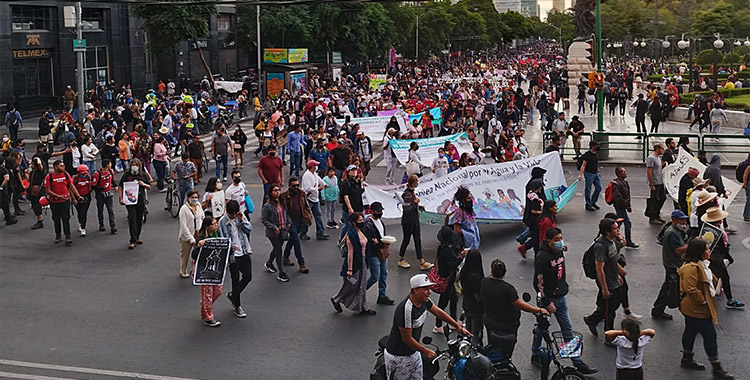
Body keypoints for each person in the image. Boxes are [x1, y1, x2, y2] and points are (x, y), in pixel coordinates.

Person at [531, 228, 597, 374]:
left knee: (567, 329)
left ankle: (577, 362)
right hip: (547, 301)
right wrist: (546, 302)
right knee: (542, 330)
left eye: (561, 238)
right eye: (557, 239)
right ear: (549, 241)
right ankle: (535, 354)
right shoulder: (542, 257)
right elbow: (538, 282)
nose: (560, 242)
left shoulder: (558, 251)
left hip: (560, 298)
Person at [383, 274, 469, 379]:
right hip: (399, 357)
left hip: (413, 353)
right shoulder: (406, 309)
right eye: (426, 289)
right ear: (415, 290)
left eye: (429, 288)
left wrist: (457, 326)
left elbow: (438, 312)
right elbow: (407, 339)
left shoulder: (424, 301)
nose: (430, 292)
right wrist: (426, 351)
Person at [677, 238, 734, 379]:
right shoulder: (691, 268)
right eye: (707, 249)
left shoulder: (702, 265)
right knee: (710, 335)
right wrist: (704, 301)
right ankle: (716, 368)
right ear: (699, 252)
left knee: (690, 330)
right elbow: (691, 289)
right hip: (696, 309)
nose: (709, 251)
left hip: (692, 308)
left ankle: (687, 358)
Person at [584, 218, 627, 340]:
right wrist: (604, 288)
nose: (618, 230)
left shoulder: (611, 241)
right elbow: (599, 269)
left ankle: (592, 320)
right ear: (608, 232)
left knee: (610, 307)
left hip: (614, 280)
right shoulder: (600, 246)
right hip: (608, 284)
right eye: (615, 228)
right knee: (609, 313)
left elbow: (612, 262)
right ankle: (609, 337)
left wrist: (617, 275)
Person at [331, 212, 376, 315]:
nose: (362, 222)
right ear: (354, 223)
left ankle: (363, 306)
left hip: (363, 260)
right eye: (360, 221)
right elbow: (350, 253)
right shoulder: (350, 235)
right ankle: (337, 299)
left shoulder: (362, 231)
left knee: (362, 284)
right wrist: (350, 269)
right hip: (355, 263)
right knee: (352, 284)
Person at [702, 207, 744, 310]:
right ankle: (724, 300)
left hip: (707, 257)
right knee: (718, 279)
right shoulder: (717, 232)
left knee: (713, 279)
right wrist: (729, 257)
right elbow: (722, 248)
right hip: (716, 259)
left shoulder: (705, 229)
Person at [431, 226, 466, 334]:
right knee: (443, 304)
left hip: (445, 278)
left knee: (454, 299)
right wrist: (460, 258)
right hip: (447, 280)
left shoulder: (441, 248)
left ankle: (453, 321)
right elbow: (451, 266)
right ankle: (438, 325)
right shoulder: (449, 252)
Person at [397, 175, 432, 270]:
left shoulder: (411, 192)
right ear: (414, 183)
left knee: (417, 240)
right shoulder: (407, 194)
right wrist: (416, 202)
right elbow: (407, 209)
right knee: (407, 239)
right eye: (416, 181)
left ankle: (421, 261)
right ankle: (401, 258)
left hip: (414, 220)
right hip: (409, 221)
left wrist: (419, 206)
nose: (418, 183)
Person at [279, 177, 312, 276]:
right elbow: (282, 210)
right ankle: (301, 262)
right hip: (290, 221)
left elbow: (306, 205)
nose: (296, 188)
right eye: (294, 186)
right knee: (296, 240)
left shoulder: (301, 193)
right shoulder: (284, 196)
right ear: (289, 186)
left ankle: (285, 256)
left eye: (297, 185)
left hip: (300, 220)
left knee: (293, 239)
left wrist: (309, 215)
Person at [363, 202, 394, 305]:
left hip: (381, 251)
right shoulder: (368, 224)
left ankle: (382, 295)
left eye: (380, 211)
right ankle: (360, 291)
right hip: (374, 253)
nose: (380, 213)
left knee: (383, 274)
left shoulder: (379, 222)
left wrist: (379, 242)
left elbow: (377, 239)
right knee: (375, 276)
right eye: (377, 211)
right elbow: (371, 242)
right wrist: (381, 243)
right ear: (372, 211)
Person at [44, 160, 81, 245]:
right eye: (61, 166)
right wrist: (58, 196)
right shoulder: (49, 176)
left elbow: (71, 186)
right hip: (54, 202)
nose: (63, 167)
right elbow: (48, 190)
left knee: (66, 218)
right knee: (56, 219)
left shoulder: (66, 174)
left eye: (63, 165)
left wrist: (78, 196)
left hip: (65, 200)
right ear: (55, 167)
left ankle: (67, 236)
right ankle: (58, 235)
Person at [118, 158, 150, 250]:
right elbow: (121, 186)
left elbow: (148, 186)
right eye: (133, 164)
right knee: (132, 218)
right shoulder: (126, 175)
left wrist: (143, 184)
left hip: (140, 199)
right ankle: (132, 240)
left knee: (139, 219)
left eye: (136, 164)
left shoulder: (142, 175)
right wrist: (121, 198)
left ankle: (137, 236)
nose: (134, 166)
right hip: (129, 200)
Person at [178, 189, 204, 278]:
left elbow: (202, 217)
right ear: (188, 198)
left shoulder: (198, 206)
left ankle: (196, 270)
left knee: (199, 254)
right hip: (186, 236)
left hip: (198, 234)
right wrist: (191, 238)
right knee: (185, 255)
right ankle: (183, 271)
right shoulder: (184, 209)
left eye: (196, 197)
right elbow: (183, 226)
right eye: (192, 197)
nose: (194, 199)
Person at [611, 167, 639, 248]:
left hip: (623, 206)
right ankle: (628, 241)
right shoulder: (617, 184)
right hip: (620, 206)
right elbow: (618, 198)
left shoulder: (624, 182)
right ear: (619, 174)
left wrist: (628, 206)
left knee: (619, 223)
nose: (625, 173)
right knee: (627, 223)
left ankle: (613, 238)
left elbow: (627, 195)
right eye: (623, 172)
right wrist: (626, 204)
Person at [91, 159, 117, 234]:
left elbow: (113, 181)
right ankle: (101, 224)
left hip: (108, 193)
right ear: (106, 165)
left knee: (110, 210)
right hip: (100, 194)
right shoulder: (98, 174)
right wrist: (102, 188)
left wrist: (115, 186)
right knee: (100, 210)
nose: (111, 165)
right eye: (110, 163)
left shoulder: (111, 172)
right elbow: (93, 186)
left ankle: (113, 226)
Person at [645, 143, 667, 224]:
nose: (663, 150)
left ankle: (656, 214)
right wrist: (652, 184)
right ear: (657, 149)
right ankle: (652, 217)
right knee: (654, 200)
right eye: (661, 149)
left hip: (660, 181)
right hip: (655, 182)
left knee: (662, 198)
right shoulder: (651, 158)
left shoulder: (658, 158)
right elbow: (649, 171)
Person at [578, 140, 603, 211]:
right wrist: (581, 175)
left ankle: (593, 202)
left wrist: (598, 171)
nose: (597, 147)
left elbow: (595, 163)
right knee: (588, 190)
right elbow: (583, 165)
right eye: (596, 146)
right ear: (592, 146)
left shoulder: (595, 154)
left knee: (599, 188)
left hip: (595, 173)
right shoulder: (587, 155)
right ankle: (588, 204)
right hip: (589, 174)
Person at [72, 165, 93, 237]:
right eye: (83, 174)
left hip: (86, 196)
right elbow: (71, 189)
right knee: (79, 211)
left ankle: (83, 228)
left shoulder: (88, 177)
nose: (84, 175)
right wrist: (74, 199)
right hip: (77, 197)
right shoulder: (75, 178)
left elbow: (90, 186)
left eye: (85, 173)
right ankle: (80, 222)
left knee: (84, 212)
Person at [27, 157, 46, 229]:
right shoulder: (33, 172)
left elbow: (39, 165)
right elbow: (29, 180)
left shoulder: (41, 172)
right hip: (33, 189)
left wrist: (37, 159)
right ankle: (39, 219)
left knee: (36, 205)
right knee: (34, 205)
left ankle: (40, 220)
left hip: (38, 191)